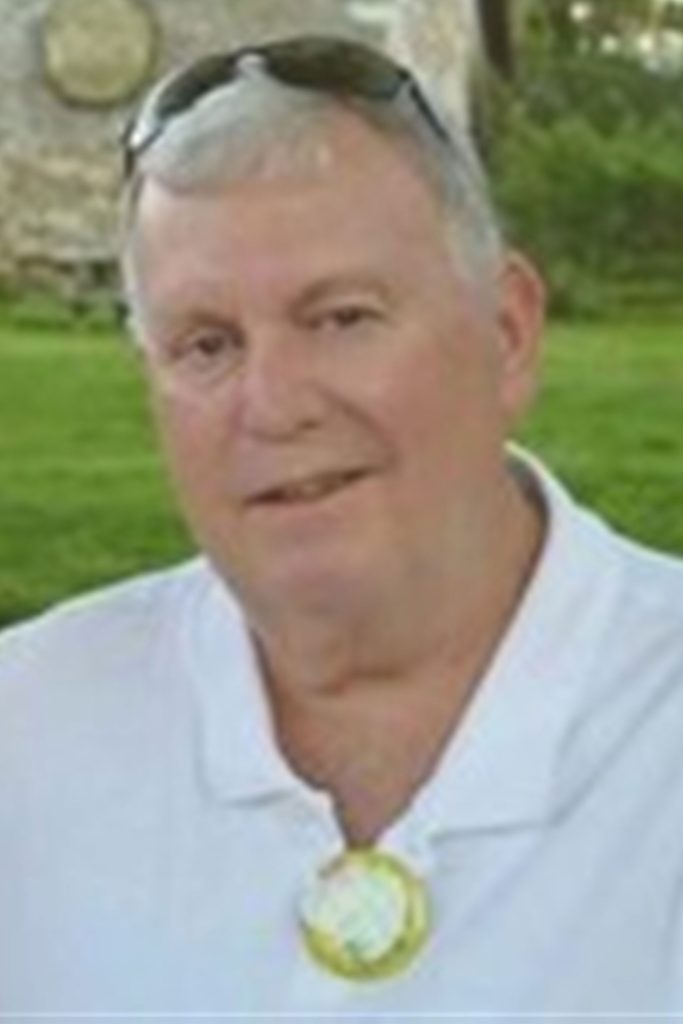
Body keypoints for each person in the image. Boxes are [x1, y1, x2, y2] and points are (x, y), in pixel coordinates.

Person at [1, 35, 683, 1017]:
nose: (271, 403)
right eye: (206, 344)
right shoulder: (29, 728)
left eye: (341, 318)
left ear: (506, 334)